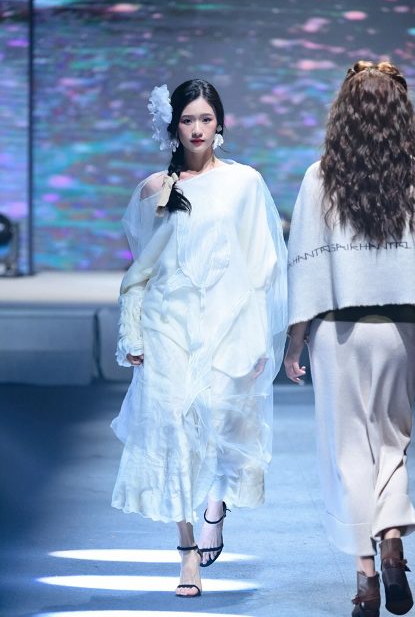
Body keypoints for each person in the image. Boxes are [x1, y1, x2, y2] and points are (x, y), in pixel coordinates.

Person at [111, 79, 287, 597]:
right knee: (172, 431)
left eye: (205, 119)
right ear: (173, 127)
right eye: (187, 119)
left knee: (222, 420)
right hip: (168, 322)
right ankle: (186, 553)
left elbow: (263, 264)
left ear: (220, 125)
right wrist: (132, 332)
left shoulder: (245, 183)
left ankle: (216, 505)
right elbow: (140, 269)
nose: (196, 129)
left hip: (228, 320)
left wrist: (259, 336)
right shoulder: (154, 189)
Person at [285, 60, 415, 617]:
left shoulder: (321, 178)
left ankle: (366, 581)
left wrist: (295, 342)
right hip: (402, 330)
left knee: (349, 452)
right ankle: (393, 544)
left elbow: (305, 267)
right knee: (392, 443)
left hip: (339, 332)